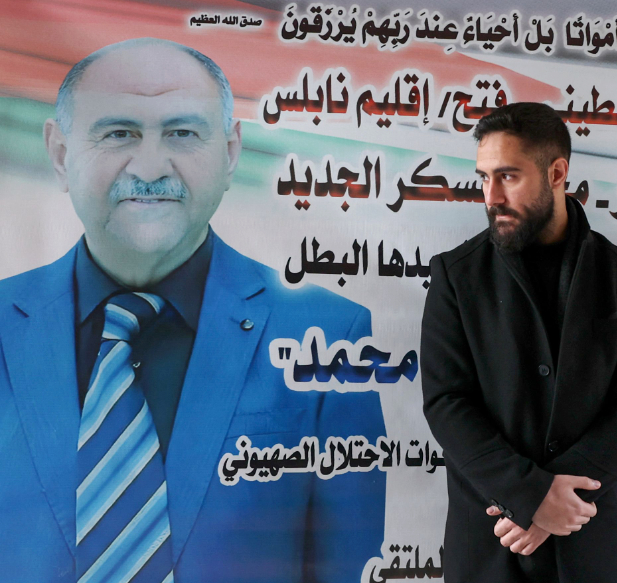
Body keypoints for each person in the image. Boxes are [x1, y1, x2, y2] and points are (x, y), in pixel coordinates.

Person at [0, 38, 384, 582]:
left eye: (182, 133)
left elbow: (349, 567)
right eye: (118, 133)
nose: (152, 166)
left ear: (230, 153)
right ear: (61, 154)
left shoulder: (328, 337)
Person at [420, 102, 617, 582]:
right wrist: (529, 496)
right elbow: (446, 403)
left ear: (556, 172)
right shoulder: (455, 276)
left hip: (591, 542)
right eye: (483, 178)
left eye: (508, 176)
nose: (491, 196)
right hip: (491, 543)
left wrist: (556, 503)